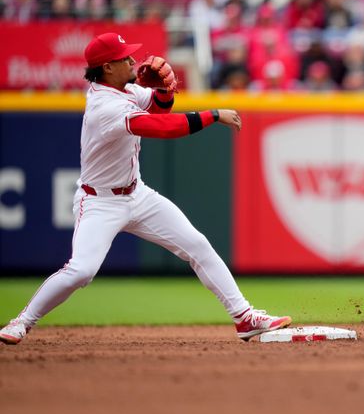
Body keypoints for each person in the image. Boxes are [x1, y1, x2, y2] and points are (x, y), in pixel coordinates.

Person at [0, 32, 291, 345]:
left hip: (137, 195)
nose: (132, 60)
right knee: (82, 270)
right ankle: (21, 321)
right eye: (124, 57)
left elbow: (158, 109)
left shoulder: (123, 90)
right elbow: (159, 127)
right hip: (99, 202)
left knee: (197, 244)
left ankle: (244, 317)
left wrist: (164, 90)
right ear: (107, 67)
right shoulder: (103, 105)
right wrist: (213, 115)